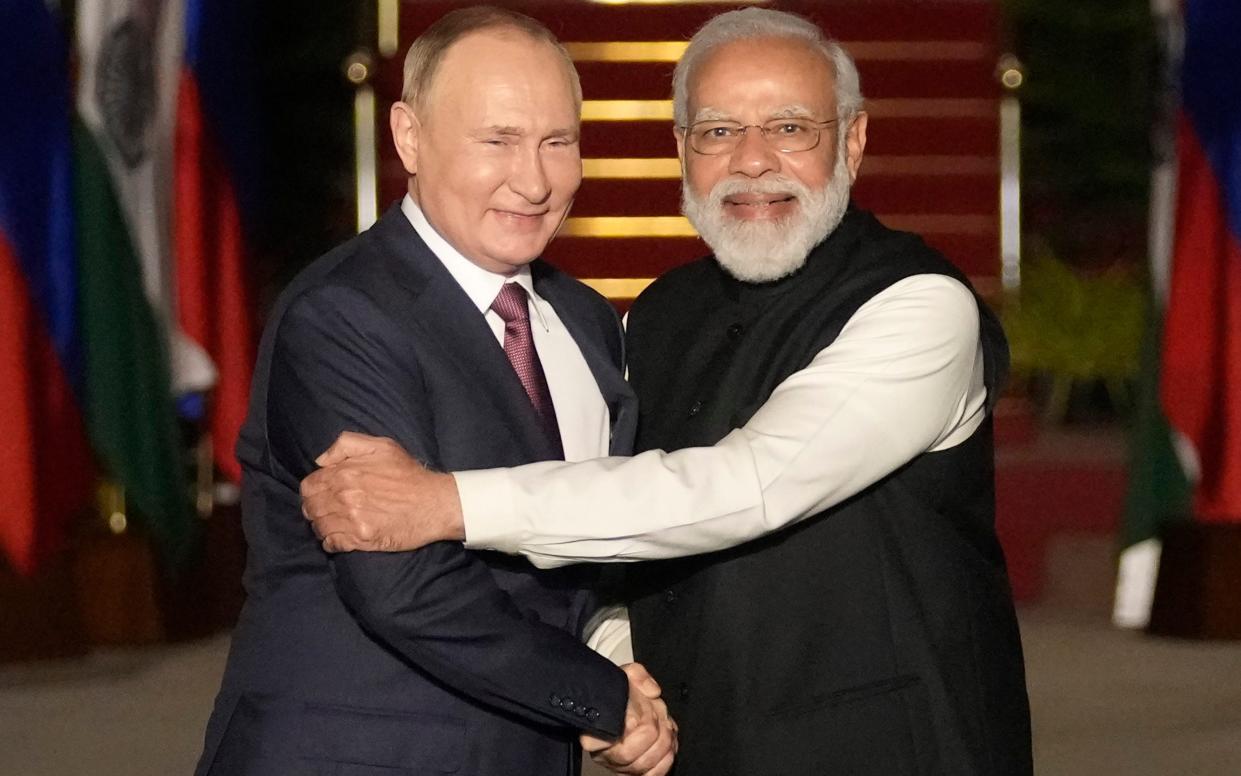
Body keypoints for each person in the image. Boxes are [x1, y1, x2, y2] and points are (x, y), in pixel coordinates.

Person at [302, 7, 1032, 776]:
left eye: (789, 128)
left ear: (851, 141)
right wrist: (616, 669)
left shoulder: (920, 307)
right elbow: (613, 533)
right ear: (682, 149)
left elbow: (747, 486)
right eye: (717, 131)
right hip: (700, 747)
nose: (752, 161)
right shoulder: (655, 315)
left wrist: (446, 503)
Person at [195, 7, 676, 776]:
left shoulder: (585, 321)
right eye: (498, 141)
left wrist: (615, 655)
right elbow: (400, 582)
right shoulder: (343, 313)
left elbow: (582, 546)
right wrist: (599, 698)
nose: (534, 179)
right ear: (408, 137)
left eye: (558, 142)